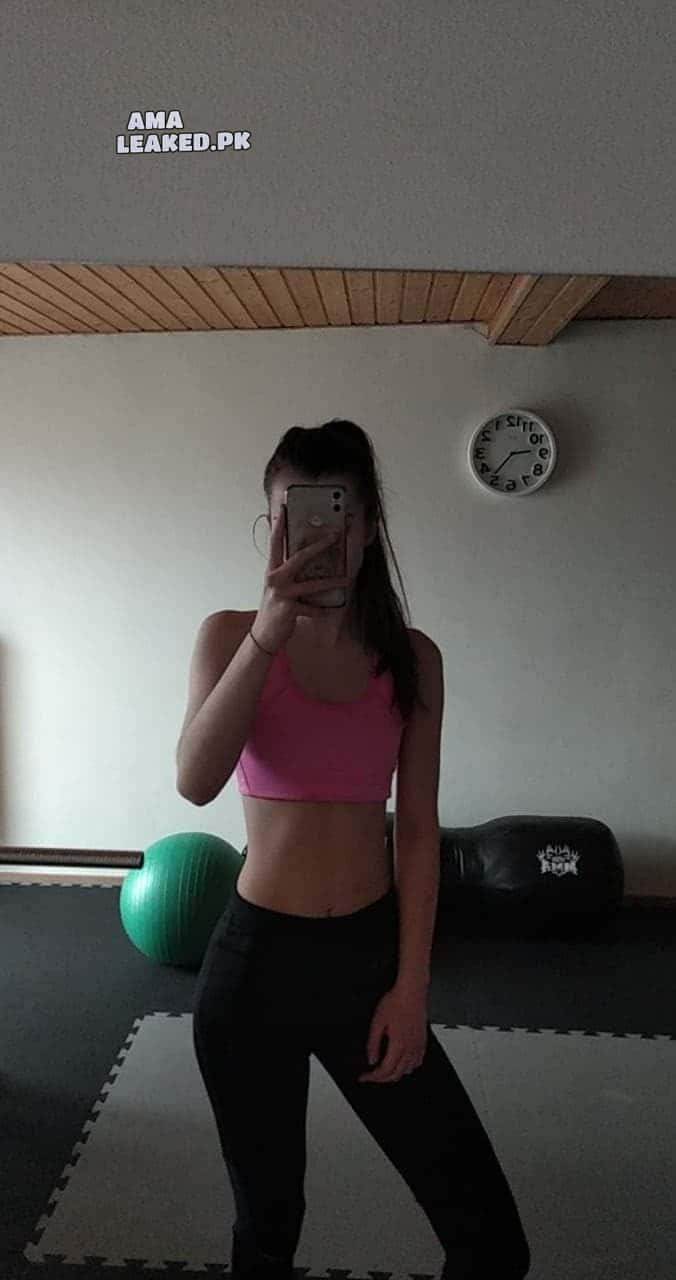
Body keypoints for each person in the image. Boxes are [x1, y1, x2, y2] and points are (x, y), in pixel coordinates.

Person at [177, 420, 531, 1279]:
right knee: (269, 1225)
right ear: (272, 527)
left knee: (490, 1240)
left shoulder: (413, 660)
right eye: (290, 517)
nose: (313, 537)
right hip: (253, 968)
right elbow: (195, 781)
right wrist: (267, 637)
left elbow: (418, 830)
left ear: (368, 528)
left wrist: (412, 987)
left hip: (366, 968)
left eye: (335, 517)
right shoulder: (229, 636)